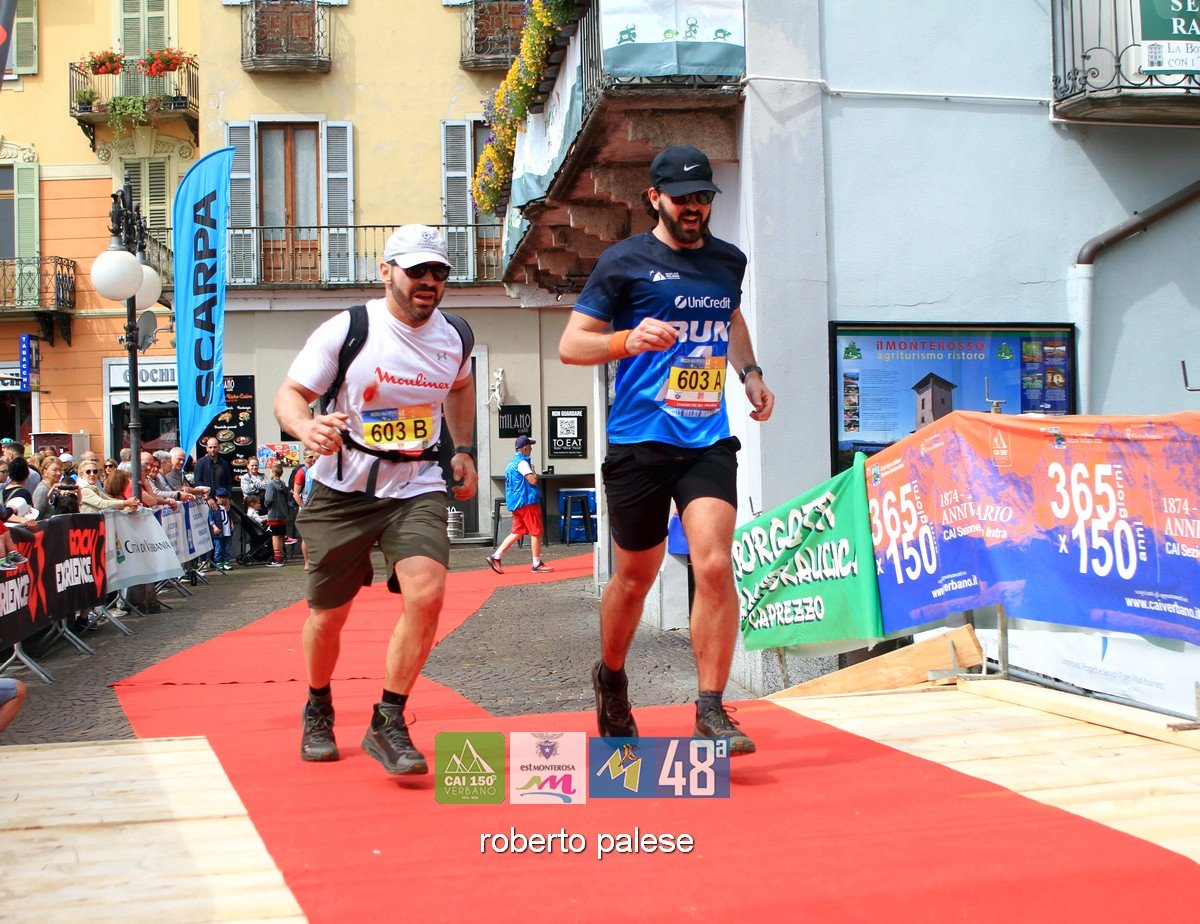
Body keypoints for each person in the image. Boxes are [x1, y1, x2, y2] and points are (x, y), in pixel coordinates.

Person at [558, 145, 776, 755]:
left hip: (706, 438)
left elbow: (729, 317)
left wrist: (750, 373)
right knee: (635, 578)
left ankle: (710, 707)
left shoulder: (727, 261)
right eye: (683, 198)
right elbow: (572, 345)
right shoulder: (623, 262)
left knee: (715, 565)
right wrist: (626, 340)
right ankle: (611, 678)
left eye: (703, 197)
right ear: (654, 197)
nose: (694, 207)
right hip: (640, 441)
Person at [273, 223, 478, 776]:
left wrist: (462, 449)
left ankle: (388, 719)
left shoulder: (456, 336)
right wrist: (305, 427)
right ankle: (318, 705)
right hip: (342, 490)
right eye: (417, 271)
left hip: (417, 484)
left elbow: (460, 388)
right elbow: (291, 394)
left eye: (438, 272)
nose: (429, 282)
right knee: (328, 616)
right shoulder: (350, 329)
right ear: (386, 271)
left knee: (427, 593)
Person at [487, 435, 554, 574]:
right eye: (530, 447)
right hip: (527, 501)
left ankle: (496, 556)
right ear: (525, 448)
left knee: (518, 531)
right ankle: (536, 564)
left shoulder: (511, 464)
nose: (531, 449)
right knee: (536, 531)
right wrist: (534, 471)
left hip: (516, 503)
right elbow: (533, 481)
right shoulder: (523, 463)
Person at [262, 463, 291, 567]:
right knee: (281, 535)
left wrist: (266, 504)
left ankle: (277, 559)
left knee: (275, 536)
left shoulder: (270, 485)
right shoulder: (283, 485)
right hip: (283, 514)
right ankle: (281, 556)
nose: (269, 473)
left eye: (270, 472)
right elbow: (287, 500)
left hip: (274, 514)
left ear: (274, 474)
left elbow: (269, 500)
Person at [209, 488, 234, 571]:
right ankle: (218, 562)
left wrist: (231, 523)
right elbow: (210, 518)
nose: (222, 499)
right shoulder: (214, 507)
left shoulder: (227, 507)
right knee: (218, 548)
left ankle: (226, 562)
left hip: (227, 531)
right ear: (216, 497)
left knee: (227, 548)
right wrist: (214, 526)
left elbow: (229, 516)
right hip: (218, 532)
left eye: (224, 497)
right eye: (220, 497)